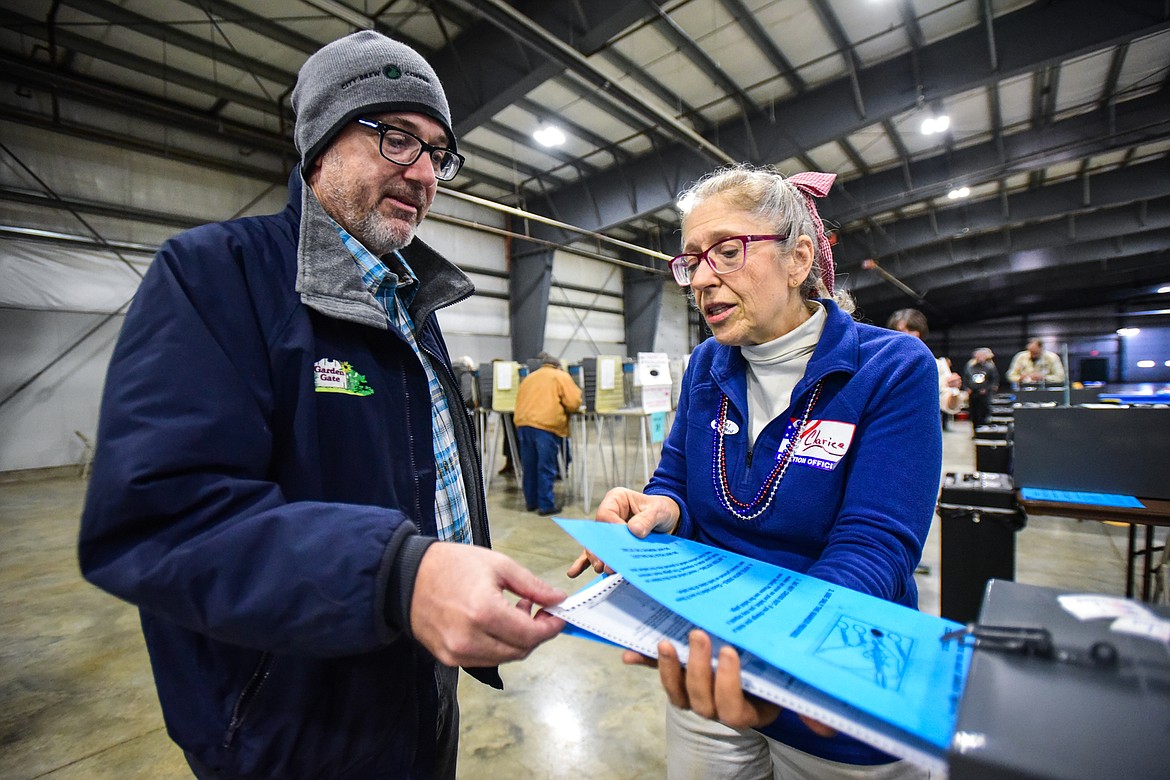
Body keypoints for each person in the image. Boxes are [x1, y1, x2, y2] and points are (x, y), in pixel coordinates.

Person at [77, 30, 565, 780]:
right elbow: (156, 518)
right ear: (318, 144)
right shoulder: (215, 277)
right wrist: (398, 577)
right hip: (290, 726)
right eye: (397, 138)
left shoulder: (416, 307)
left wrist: (444, 579)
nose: (423, 172)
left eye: (438, 153)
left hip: (421, 689)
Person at [569, 165, 941, 779]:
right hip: (710, 676)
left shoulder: (891, 368)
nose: (703, 278)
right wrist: (661, 511)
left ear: (798, 260)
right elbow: (676, 482)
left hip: (834, 686)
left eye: (727, 251)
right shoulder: (706, 365)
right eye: (691, 261)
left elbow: (876, 549)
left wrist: (771, 655)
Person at [513, 351, 582, 515]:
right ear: (557, 365)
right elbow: (573, 402)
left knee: (529, 466)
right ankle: (546, 505)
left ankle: (531, 502)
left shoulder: (530, 377)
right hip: (545, 426)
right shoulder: (560, 376)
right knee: (546, 467)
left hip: (523, 424)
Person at [886, 308, 964, 422]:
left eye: (911, 330)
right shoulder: (884, 364)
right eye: (901, 331)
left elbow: (950, 406)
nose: (906, 335)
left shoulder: (937, 365)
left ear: (921, 332)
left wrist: (954, 391)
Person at [962, 348, 999, 430]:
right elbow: (966, 378)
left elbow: (994, 380)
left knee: (984, 411)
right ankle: (975, 429)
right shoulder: (970, 367)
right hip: (973, 394)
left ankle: (984, 428)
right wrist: (967, 388)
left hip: (985, 394)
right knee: (974, 412)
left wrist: (987, 389)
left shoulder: (990, 367)